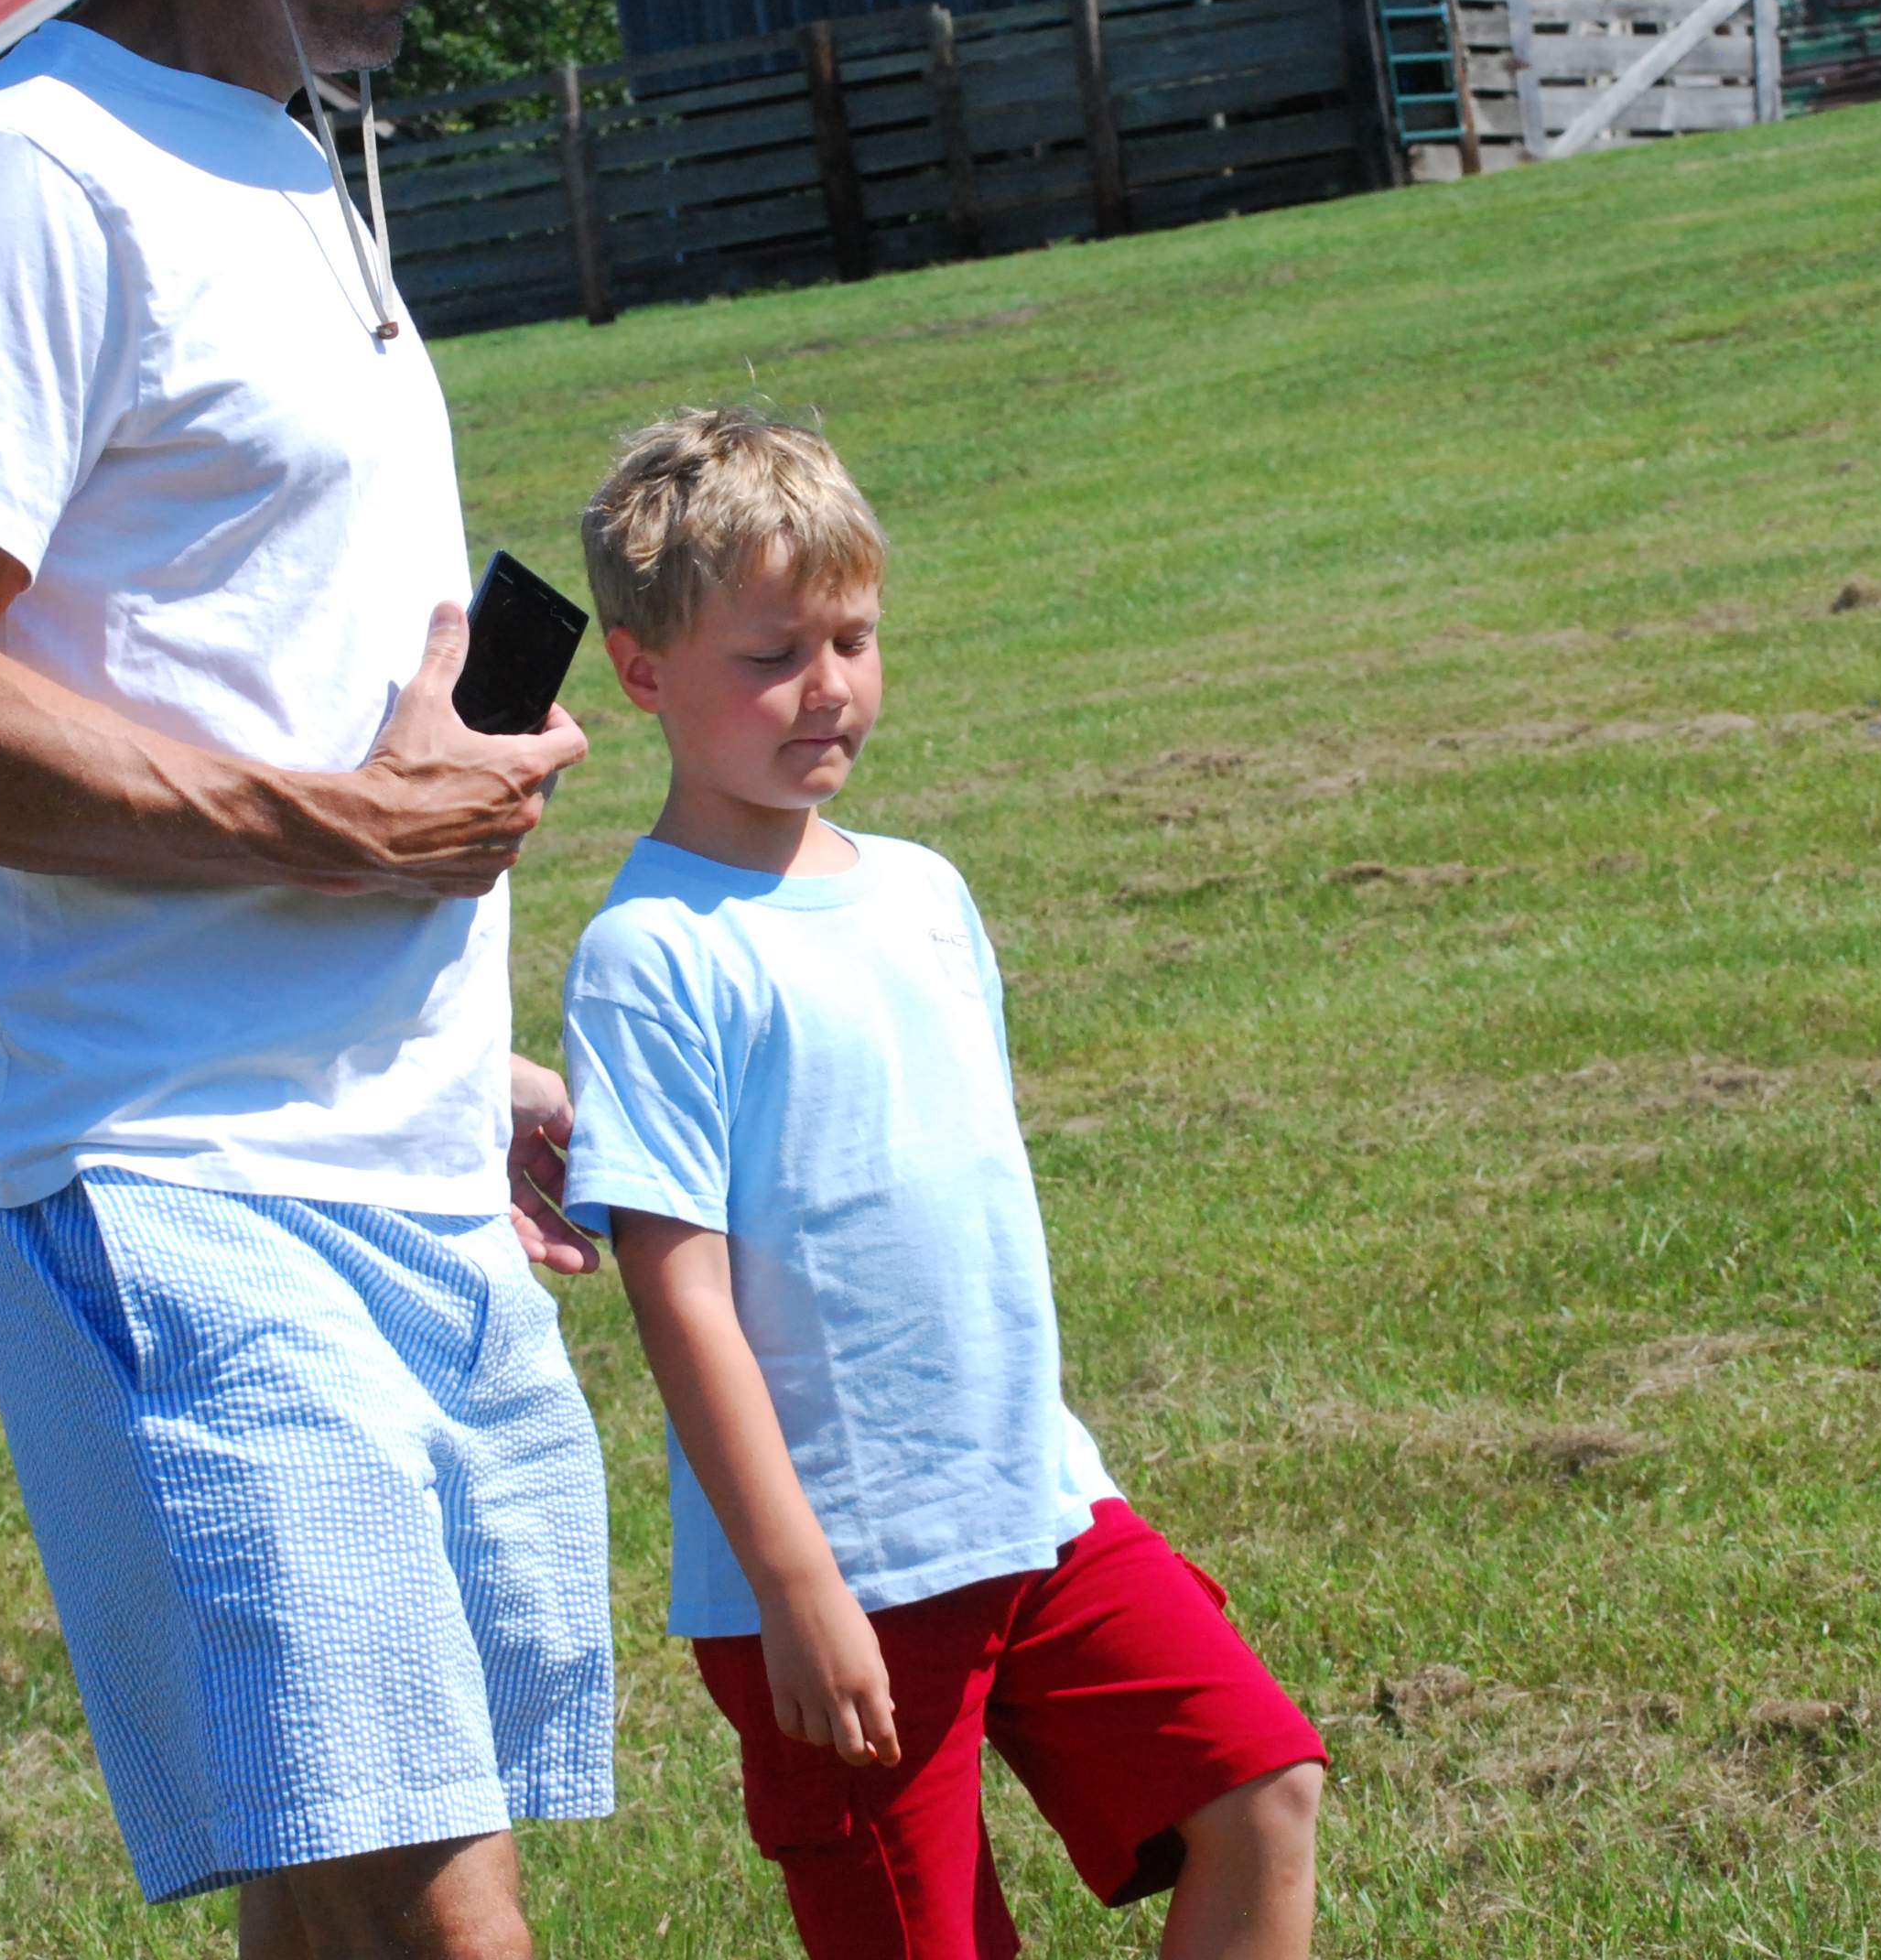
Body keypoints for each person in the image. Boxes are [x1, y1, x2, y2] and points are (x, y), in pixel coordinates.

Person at [0, 0, 613, 1953]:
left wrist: (449, 1053)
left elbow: (248, 659)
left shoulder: (290, 165)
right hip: (165, 1180)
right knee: (437, 1915)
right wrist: (347, 835)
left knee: (348, 1901)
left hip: (382, 1161)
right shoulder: (25, 179)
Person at [555, 409, 1329, 1960]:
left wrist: (1048, 1463)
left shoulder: (923, 890)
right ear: (642, 672)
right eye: (772, 654)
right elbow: (680, 1299)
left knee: (1261, 1789)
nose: (828, 685)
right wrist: (796, 1583)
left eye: (853, 638)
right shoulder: (654, 954)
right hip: (838, 1566)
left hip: (1035, 1503)